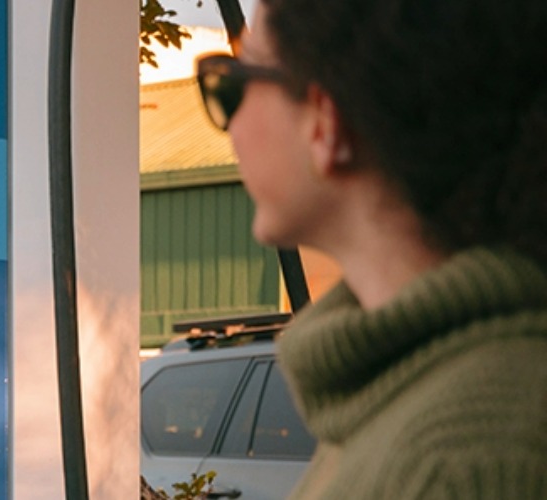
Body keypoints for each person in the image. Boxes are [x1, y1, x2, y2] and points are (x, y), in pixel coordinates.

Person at [197, 0, 547, 497]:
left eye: (234, 80)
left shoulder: (461, 459)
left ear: (324, 122)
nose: (229, 124)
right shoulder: (394, 391)